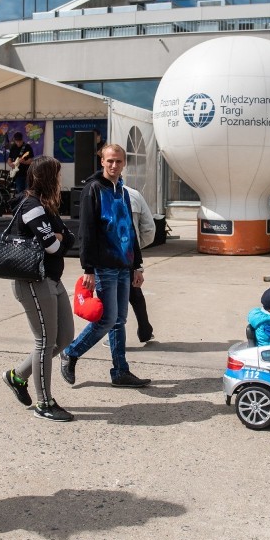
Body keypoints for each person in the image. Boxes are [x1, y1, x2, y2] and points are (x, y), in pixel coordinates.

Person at [60, 144, 151, 388]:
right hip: (103, 267)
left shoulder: (122, 190)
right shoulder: (93, 189)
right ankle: (71, 352)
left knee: (119, 320)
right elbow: (86, 231)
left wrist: (137, 264)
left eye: (118, 162)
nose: (114, 165)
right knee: (108, 319)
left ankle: (120, 371)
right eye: (109, 161)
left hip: (124, 265)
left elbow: (130, 229)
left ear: (124, 164)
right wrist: (88, 268)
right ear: (101, 161)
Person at [2, 156, 76, 422]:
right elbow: (56, 246)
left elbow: (69, 237)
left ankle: (16, 376)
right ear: (47, 177)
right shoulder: (32, 207)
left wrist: (61, 238)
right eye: (57, 174)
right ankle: (45, 403)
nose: (60, 179)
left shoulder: (47, 207)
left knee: (64, 338)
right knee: (45, 342)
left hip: (53, 281)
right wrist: (60, 238)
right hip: (35, 283)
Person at [125, 185, 156, 343]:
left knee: (113, 299)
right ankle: (144, 330)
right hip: (130, 257)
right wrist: (136, 248)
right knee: (135, 293)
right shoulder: (134, 194)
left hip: (108, 259)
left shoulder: (94, 192)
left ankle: (114, 336)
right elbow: (149, 229)